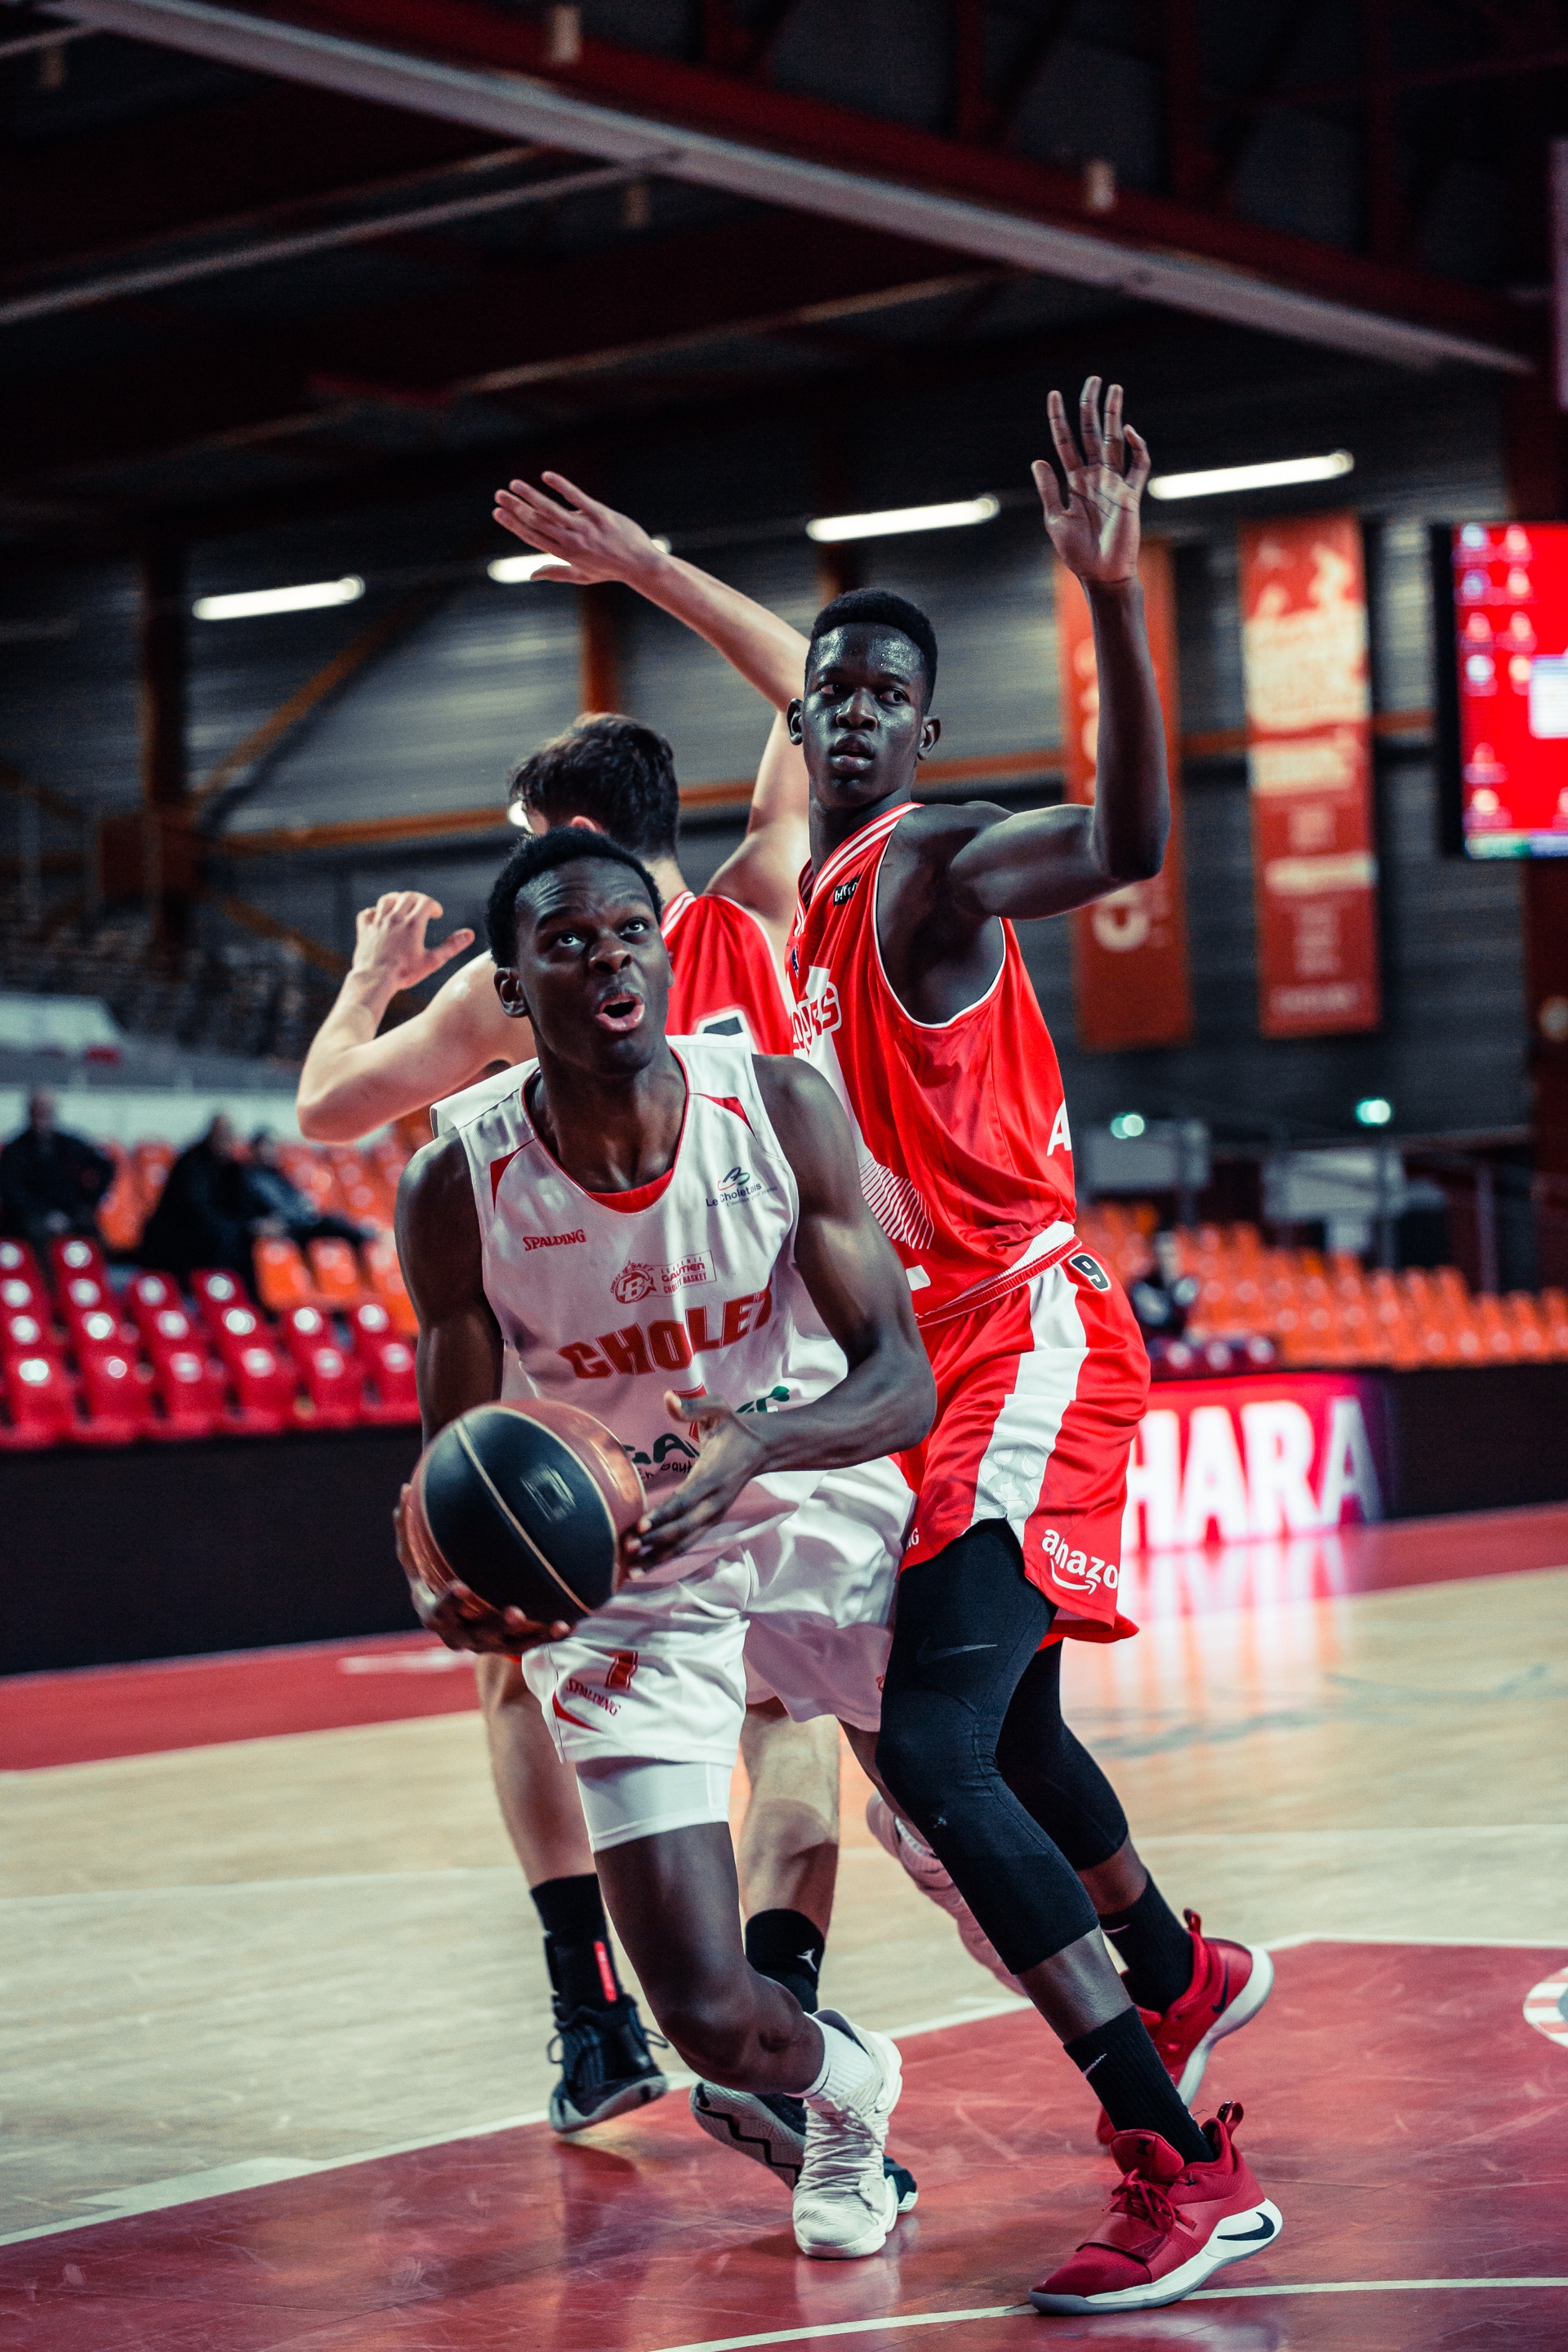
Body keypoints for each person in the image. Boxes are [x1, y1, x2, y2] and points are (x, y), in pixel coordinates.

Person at [512, 388, 1281, 2313]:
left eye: (880, 693)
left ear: (921, 733)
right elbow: (804, 689)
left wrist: (1111, 599)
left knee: (931, 1746)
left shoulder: (926, 867)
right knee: (988, 1727)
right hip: (895, 1374)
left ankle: (1178, 2158)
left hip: (1017, 1334)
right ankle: (1173, 1973)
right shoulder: (776, 925)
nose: (844, 707)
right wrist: (654, 573)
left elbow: (1115, 834)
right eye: (822, 693)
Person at [292, 523, 889, 2158]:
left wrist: (359, 982)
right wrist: (649, 566)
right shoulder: (762, 893)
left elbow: (330, 1107)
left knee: (514, 1650)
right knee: (796, 1725)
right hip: (774, 1379)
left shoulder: (530, 978)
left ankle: (591, 2018)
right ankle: (781, 2001)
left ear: (560, 852)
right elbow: (810, 685)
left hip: (609, 1414)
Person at [395, 830, 936, 2261]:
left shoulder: (772, 1104)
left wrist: (758, 1440)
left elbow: (900, 1383)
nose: (609, 956)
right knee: (703, 2011)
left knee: (995, 1850)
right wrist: (458, 1583)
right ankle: (845, 2091)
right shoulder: (459, 1180)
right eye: (567, 941)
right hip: (635, 1583)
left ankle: (1159, 2091)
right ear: (512, 985)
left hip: (813, 1504)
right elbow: (457, 1471)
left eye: (630, 929)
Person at [139, 1114, 268, 1286]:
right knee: (224, 1238)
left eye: (231, 1137)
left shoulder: (232, 1168)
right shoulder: (191, 1164)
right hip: (178, 1239)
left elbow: (243, 1206)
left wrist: (255, 1225)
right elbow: (197, 1212)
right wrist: (244, 1227)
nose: (228, 1142)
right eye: (223, 1136)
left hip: (214, 1231)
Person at [0, 1089, 113, 1254]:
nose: (42, 1118)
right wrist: (46, 1214)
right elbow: (12, 1191)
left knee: (91, 1232)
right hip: (31, 1216)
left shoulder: (69, 1145)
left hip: (69, 1211)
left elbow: (105, 1167)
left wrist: (89, 1202)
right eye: (38, 1111)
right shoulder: (16, 1150)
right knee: (34, 1232)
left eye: (46, 1111)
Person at [242, 1127, 372, 1251]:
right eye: (265, 1147)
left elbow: (295, 1201)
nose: (269, 1151)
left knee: (335, 1219)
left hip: (300, 1222)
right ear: (255, 1150)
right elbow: (256, 1219)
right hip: (290, 1227)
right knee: (331, 1223)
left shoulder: (279, 1174)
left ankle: (366, 1240)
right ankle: (366, 1238)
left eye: (271, 1146)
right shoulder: (251, 1178)